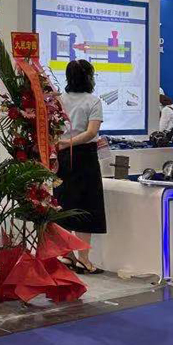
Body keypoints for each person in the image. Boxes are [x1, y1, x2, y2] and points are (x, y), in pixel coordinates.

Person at [57, 59, 106, 274]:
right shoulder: (93, 101)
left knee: (63, 204)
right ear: (89, 77)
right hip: (85, 157)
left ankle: (66, 255)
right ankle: (84, 259)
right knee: (87, 206)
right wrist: (70, 143)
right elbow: (91, 132)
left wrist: (63, 144)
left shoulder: (59, 100)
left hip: (62, 156)